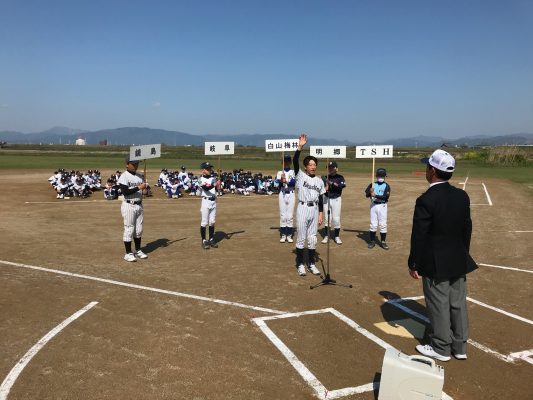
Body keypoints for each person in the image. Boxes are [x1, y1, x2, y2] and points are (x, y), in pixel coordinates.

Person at [408, 149, 477, 362]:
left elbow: (419, 235)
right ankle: (460, 346)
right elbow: (467, 228)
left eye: (427, 166)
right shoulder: (461, 195)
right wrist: (462, 252)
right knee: (457, 302)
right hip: (458, 258)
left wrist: (414, 263)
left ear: (432, 171)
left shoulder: (426, 199)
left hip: (435, 262)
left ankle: (441, 347)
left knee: (438, 303)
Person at [293, 134, 325, 276]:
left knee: (312, 238)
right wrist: (300, 146)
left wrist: (320, 214)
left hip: (314, 210)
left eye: (314, 164)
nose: (313, 166)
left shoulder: (319, 181)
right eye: (310, 165)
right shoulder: (301, 176)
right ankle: (300, 264)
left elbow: (321, 197)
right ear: (305, 167)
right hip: (303, 208)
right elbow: (295, 160)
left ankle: (311, 263)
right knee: (301, 237)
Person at [117, 157, 148, 262]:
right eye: (133, 164)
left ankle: (138, 250)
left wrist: (145, 190)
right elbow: (125, 192)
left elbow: (144, 192)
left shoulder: (140, 176)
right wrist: (139, 188)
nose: (136, 165)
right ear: (127, 164)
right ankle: (128, 253)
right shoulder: (124, 176)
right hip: (129, 205)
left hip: (139, 205)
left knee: (139, 229)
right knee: (129, 228)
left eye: (137, 163)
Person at [365, 168, 391, 249]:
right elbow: (366, 194)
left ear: (384, 177)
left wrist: (375, 195)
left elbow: (385, 197)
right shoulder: (372, 184)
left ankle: (383, 241)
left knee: (383, 224)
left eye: (382, 176)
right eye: (380, 176)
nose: (381, 177)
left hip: (382, 206)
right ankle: (372, 241)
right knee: (373, 224)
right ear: (376, 176)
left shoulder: (387, 186)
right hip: (373, 205)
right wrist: (370, 191)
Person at [321, 161, 346, 244]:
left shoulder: (340, 177)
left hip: (336, 199)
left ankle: (336, 236)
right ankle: (326, 236)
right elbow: (321, 190)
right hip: (326, 199)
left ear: (336, 168)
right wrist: (325, 188)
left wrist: (331, 183)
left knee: (336, 218)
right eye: (329, 167)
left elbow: (340, 187)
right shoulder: (325, 177)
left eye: (332, 167)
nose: (330, 169)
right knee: (327, 218)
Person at [198, 161, 221, 249]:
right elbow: (206, 188)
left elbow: (217, 189)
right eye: (208, 169)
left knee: (212, 222)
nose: (210, 170)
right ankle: (204, 240)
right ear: (203, 170)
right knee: (204, 222)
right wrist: (215, 184)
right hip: (205, 202)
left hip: (213, 201)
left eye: (210, 168)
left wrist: (219, 185)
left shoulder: (213, 178)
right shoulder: (200, 179)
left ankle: (211, 239)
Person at [276, 154, 296, 243]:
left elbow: (293, 183)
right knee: (283, 215)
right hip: (282, 193)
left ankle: (289, 235)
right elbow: (278, 184)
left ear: (290, 162)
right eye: (285, 161)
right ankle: (283, 235)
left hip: (291, 193)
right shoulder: (280, 172)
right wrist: (281, 180)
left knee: (290, 216)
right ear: (282, 162)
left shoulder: (293, 172)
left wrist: (286, 181)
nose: (286, 163)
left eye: (288, 161)